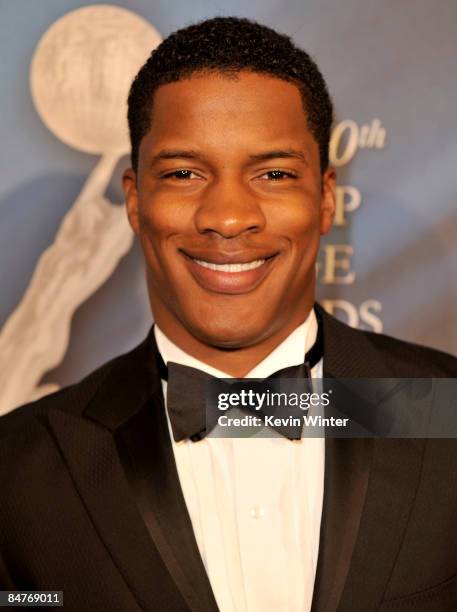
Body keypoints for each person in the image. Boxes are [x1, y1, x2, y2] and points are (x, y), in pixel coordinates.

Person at [1, 16, 457, 612]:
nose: (229, 216)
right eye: (185, 173)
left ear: (325, 199)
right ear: (135, 201)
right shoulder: (19, 468)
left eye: (272, 174)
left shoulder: (445, 414)